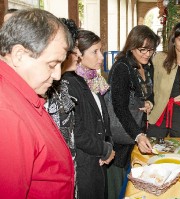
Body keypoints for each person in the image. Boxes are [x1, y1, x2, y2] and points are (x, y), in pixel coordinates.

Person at [0, 9, 74, 198]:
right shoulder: (6, 114)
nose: (57, 75)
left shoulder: (22, 92)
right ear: (19, 55)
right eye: (51, 64)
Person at [107, 25, 160, 199]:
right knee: (118, 184)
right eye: (142, 49)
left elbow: (150, 92)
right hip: (122, 135)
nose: (147, 54)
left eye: (150, 50)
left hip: (137, 129)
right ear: (131, 46)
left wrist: (149, 102)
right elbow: (119, 107)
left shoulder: (148, 65)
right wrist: (137, 135)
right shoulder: (122, 68)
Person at [63, 29, 115, 199]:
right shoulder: (69, 84)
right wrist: (104, 149)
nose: (101, 57)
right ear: (78, 54)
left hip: (98, 160)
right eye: (95, 52)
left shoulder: (93, 79)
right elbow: (76, 130)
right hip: (85, 164)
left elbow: (103, 118)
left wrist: (108, 145)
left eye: (100, 50)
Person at [46, 18, 81, 198]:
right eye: (72, 50)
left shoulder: (62, 85)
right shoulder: (43, 88)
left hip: (69, 174)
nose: (78, 55)